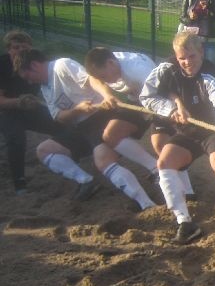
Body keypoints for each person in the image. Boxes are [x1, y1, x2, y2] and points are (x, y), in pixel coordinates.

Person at [139, 32, 215, 245]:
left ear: (201, 52)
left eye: (191, 56)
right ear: (175, 56)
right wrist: (171, 108)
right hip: (186, 132)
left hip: (213, 130)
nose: (187, 62)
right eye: (182, 58)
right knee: (164, 163)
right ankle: (185, 222)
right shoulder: (167, 69)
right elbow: (147, 96)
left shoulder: (209, 74)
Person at [15, 48, 156, 210]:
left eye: (27, 76)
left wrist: (107, 96)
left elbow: (91, 79)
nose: (29, 82)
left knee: (103, 161)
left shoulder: (61, 66)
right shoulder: (44, 88)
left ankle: (146, 203)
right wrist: (77, 110)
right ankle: (86, 181)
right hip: (81, 126)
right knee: (44, 150)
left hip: (100, 117)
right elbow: (59, 116)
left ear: (34, 65)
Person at [0, 30, 65, 194]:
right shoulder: (2, 66)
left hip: (30, 106)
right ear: (9, 50)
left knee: (61, 123)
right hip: (6, 110)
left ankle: (71, 155)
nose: (20, 51)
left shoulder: (35, 63)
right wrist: (18, 102)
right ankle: (19, 182)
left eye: (24, 47)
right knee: (16, 138)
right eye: (16, 47)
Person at [84, 47, 160, 181]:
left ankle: (174, 174)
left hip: (156, 99)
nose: (104, 80)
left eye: (104, 76)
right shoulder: (107, 63)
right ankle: (156, 168)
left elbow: (161, 96)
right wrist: (107, 95)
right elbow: (93, 78)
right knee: (111, 134)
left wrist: (149, 114)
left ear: (111, 63)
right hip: (137, 97)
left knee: (160, 142)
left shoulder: (140, 72)